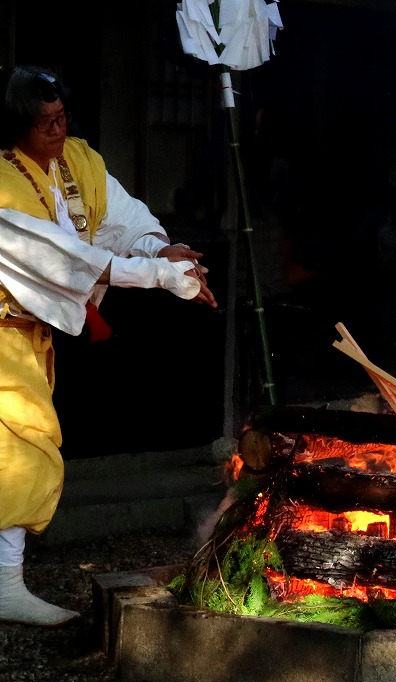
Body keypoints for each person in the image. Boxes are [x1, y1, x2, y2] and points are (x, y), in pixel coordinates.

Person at [0, 65, 217, 626]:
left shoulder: (80, 162)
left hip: (28, 338)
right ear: (15, 125)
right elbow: (67, 261)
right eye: (43, 121)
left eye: (62, 116)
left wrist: (158, 251)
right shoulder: (3, 183)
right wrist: (157, 277)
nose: (57, 128)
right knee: (21, 446)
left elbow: (121, 223)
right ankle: (4, 585)